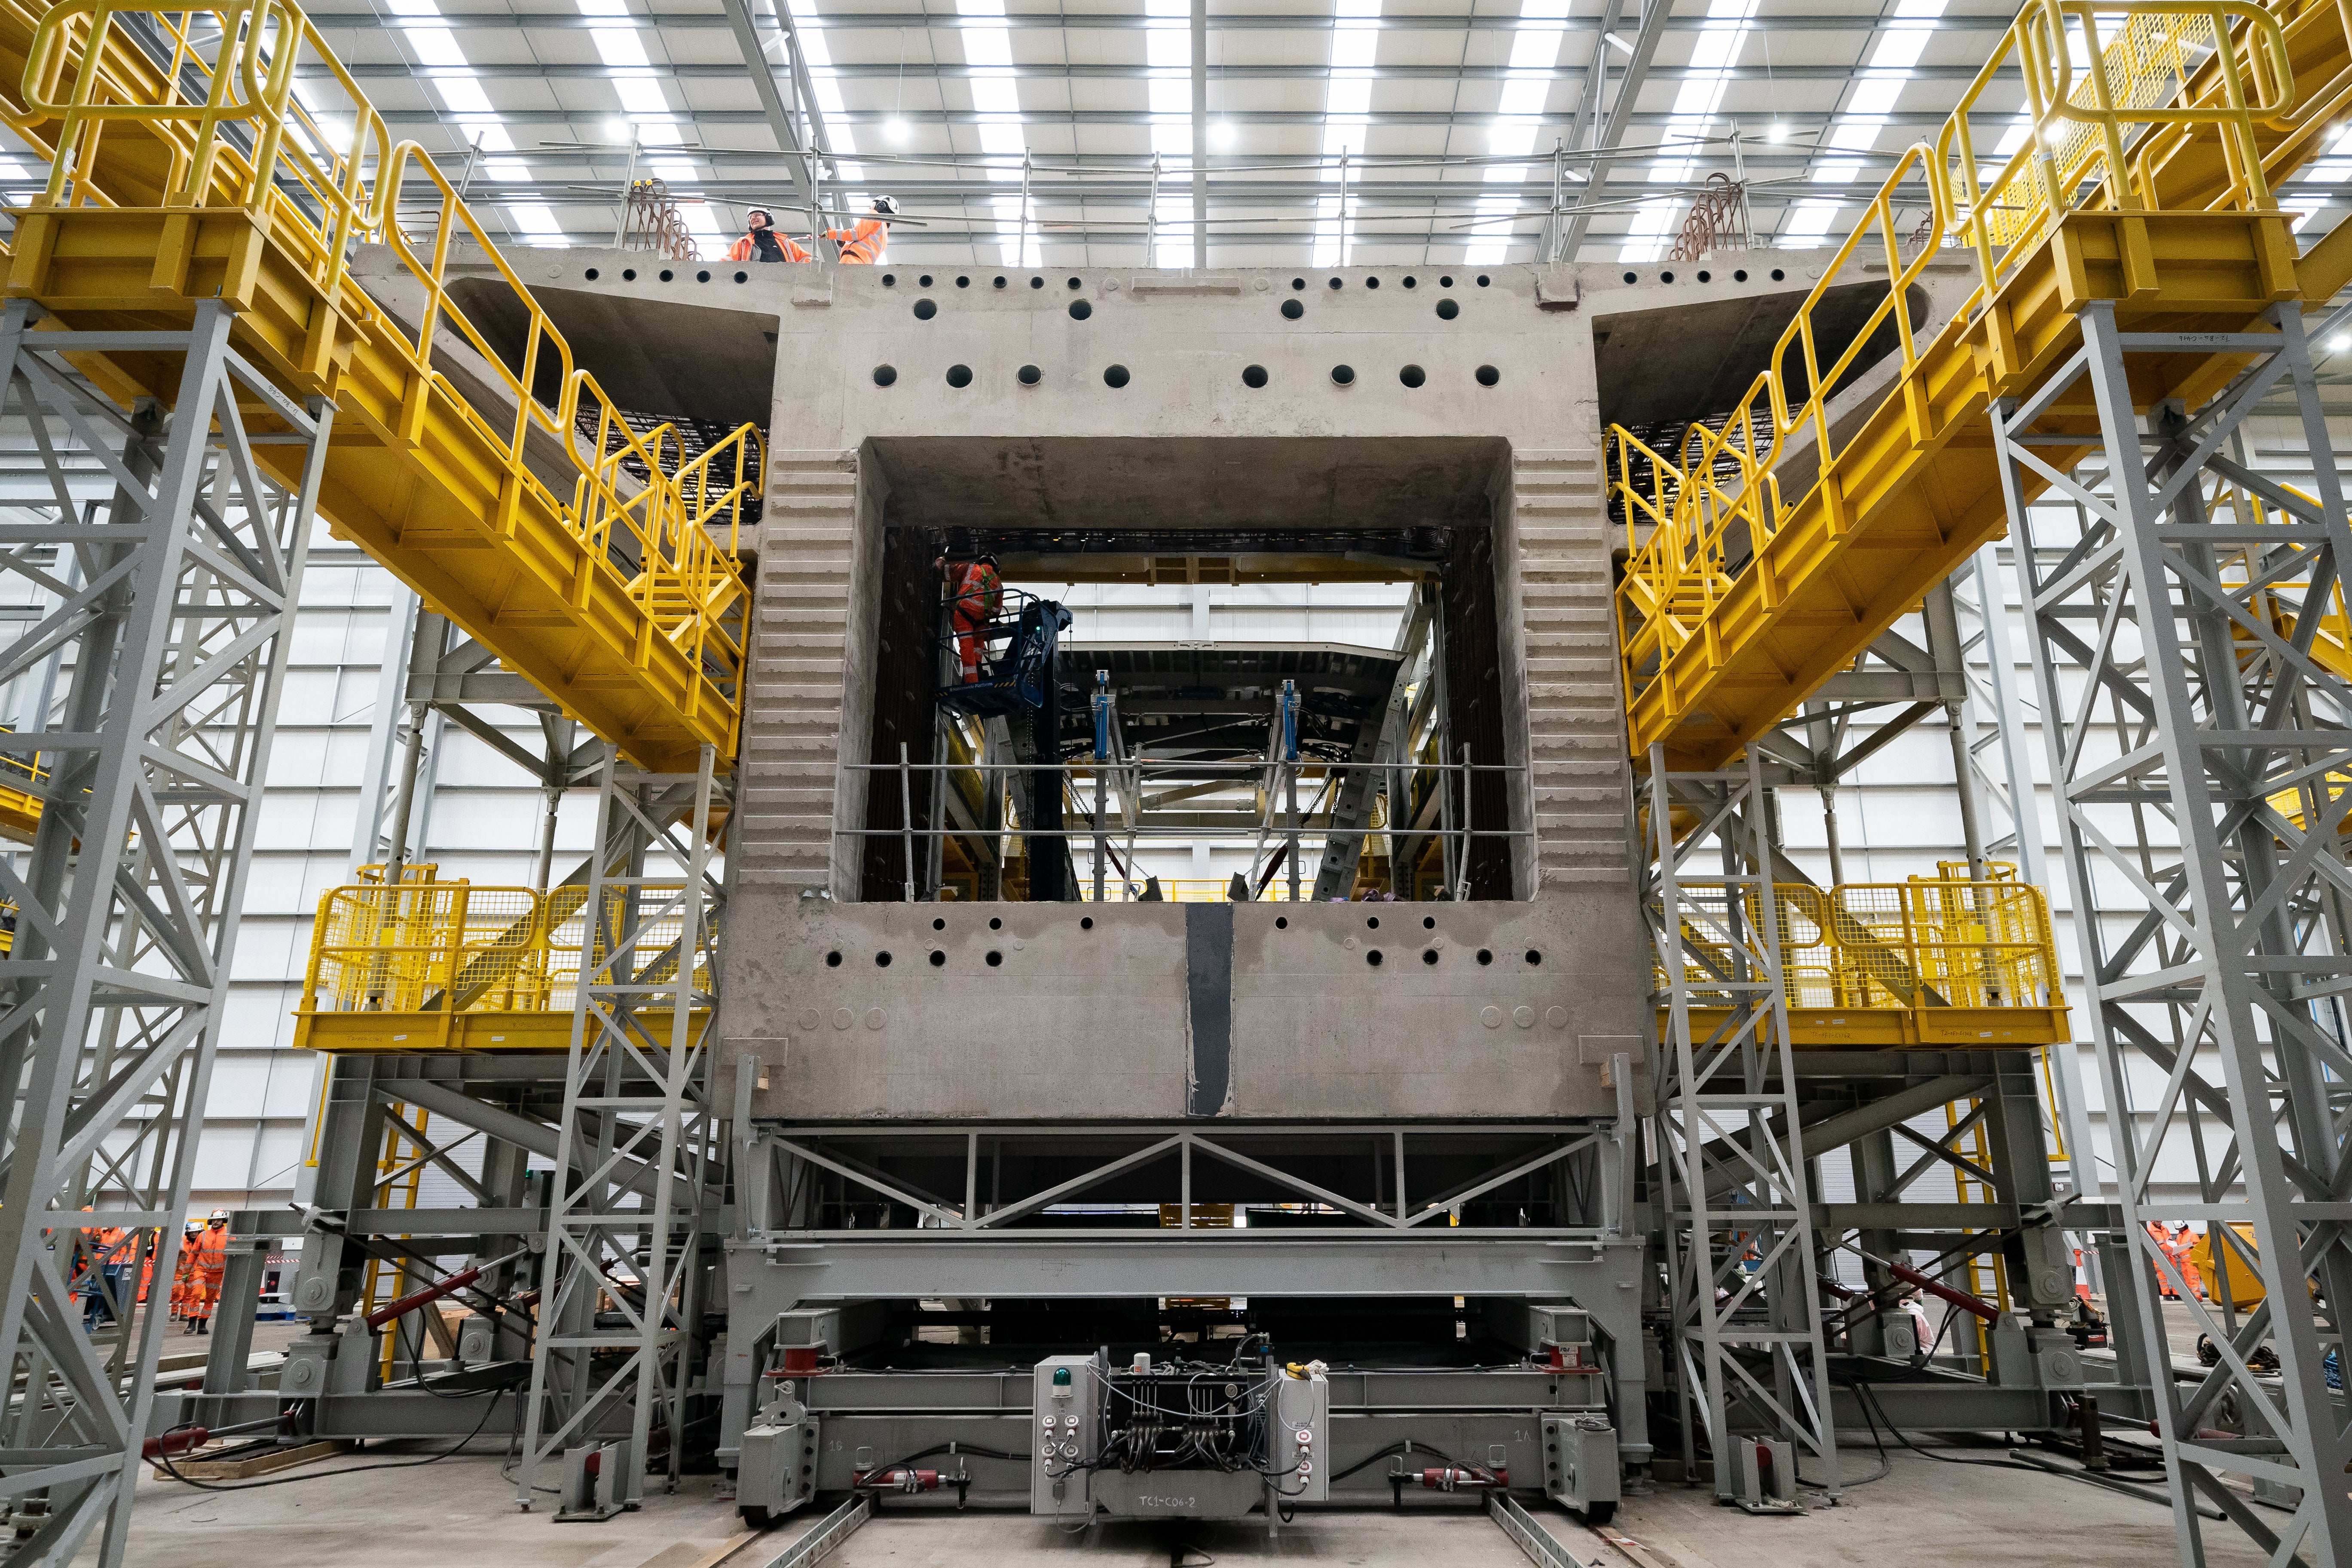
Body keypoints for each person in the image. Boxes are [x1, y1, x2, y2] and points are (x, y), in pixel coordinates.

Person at [937, 553, 1003, 681]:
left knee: (967, 647)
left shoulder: (970, 569)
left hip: (965, 615)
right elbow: (996, 611)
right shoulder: (999, 584)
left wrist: (940, 561)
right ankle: (978, 667)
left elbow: (946, 572)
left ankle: (971, 681)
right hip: (980, 621)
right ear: (996, 566)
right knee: (979, 639)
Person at [185, 1210, 229, 1335]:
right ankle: (191, 1324)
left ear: (223, 1221)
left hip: (217, 1273)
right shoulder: (203, 1235)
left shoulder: (229, 1235)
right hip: (201, 1269)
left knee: (210, 1299)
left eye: (219, 1220)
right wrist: (186, 1272)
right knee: (196, 1294)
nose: (216, 1222)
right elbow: (193, 1254)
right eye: (214, 1220)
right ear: (211, 1221)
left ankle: (202, 1325)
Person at [824, 196, 896, 264]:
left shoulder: (875, 215)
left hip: (852, 259)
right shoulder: (884, 235)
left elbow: (856, 234)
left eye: (873, 204)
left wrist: (831, 234)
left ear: (881, 206)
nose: (870, 208)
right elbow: (867, 245)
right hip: (864, 266)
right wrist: (846, 244)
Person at [726, 208, 809, 264]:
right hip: (754, 286)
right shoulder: (743, 243)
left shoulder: (786, 243)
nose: (753, 219)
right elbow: (726, 263)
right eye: (750, 217)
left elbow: (807, 261)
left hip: (784, 286)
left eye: (757, 215)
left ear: (769, 218)